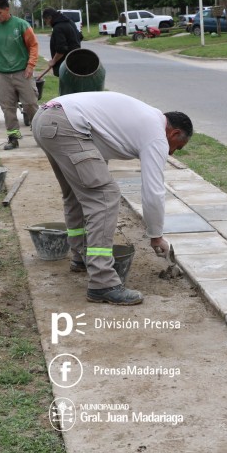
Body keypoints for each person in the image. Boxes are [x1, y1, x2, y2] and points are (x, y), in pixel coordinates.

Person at [31, 92, 193, 305]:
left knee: (77, 194)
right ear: (175, 133)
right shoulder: (156, 135)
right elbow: (153, 191)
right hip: (66, 125)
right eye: (177, 147)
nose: (172, 154)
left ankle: (81, 256)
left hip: (45, 119)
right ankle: (102, 283)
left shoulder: (144, 117)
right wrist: (156, 235)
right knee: (105, 196)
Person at [0, 0, 39, 150]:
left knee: (30, 104)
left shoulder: (21, 25)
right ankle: (13, 138)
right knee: (7, 108)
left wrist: (30, 65)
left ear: (7, 10)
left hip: (23, 72)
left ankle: (40, 134)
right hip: (2, 75)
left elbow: (33, 46)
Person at [35, 8, 81, 83]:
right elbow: (80, 37)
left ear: (49, 18)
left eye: (45, 21)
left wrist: (53, 61)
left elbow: (61, 50)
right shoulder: (70, 22)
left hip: (66, 65)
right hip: (77, 60)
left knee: (67, 87)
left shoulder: (58, 28)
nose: (47, 24)